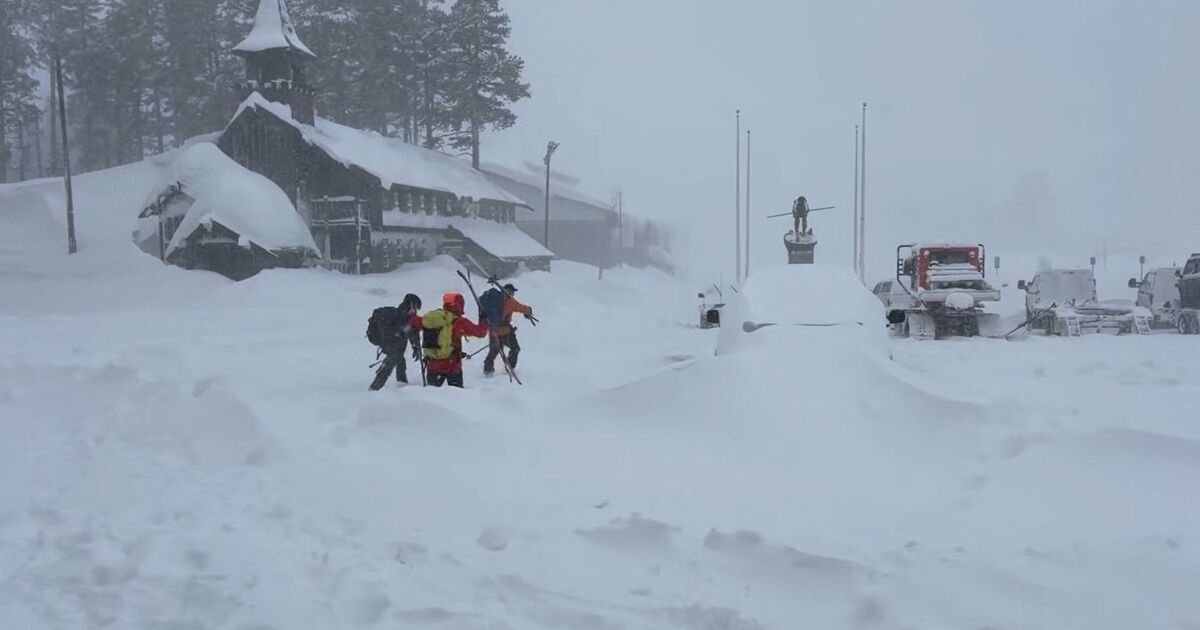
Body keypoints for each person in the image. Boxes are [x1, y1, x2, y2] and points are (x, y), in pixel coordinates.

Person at [422, 292, 489, 388]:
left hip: (433, 364)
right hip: (452, 366)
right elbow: (480, 333)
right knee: (456, 395)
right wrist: (483, 320)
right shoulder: (459, 322)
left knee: (431, 394)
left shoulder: (436, 319)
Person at [368, 293, 423, 391]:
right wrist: (415, 346)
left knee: (399, 360)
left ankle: (401, 384)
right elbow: (409, 331)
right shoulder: (400, 315)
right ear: (411, 304)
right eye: (416, 307)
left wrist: (415, 346)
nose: (416, 310)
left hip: (392, 342)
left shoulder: (405, 315)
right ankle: (375, 388)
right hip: (389, 342)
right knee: (392, 360)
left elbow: (411, 331)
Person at [484, 283, 534, 377]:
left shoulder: (493, 300)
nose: (512, 294)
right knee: (515, 348)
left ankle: (488, 371)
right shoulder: (510, 301)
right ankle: (510, 366)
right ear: (508, 291)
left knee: (493, 352)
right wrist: (529, 310)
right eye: (512, 291)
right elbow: (522, 308)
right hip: (506, 331)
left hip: (493, 331)